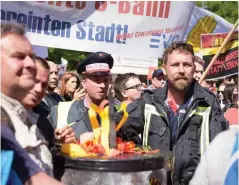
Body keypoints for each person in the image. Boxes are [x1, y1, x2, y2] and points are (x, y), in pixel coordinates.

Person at [120, 41, 228, 184]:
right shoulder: (148, 102)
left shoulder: (209, 103)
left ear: (194, 68)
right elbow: (119, 131)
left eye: (187, 65)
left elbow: (222, 152)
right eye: (175, 65)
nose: (182, 70)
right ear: (164, 69)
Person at [0, 22, 63, 184]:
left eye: (31, 56)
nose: (30, 64)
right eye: (19, 56)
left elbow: (33, 174)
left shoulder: (22, 115)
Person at [50, 52, 114, 139]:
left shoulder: (117, 114)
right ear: (84, 83)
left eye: (106, 80)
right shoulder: (60, 111)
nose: (103, 85)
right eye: (97, 80)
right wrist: (58, 142)